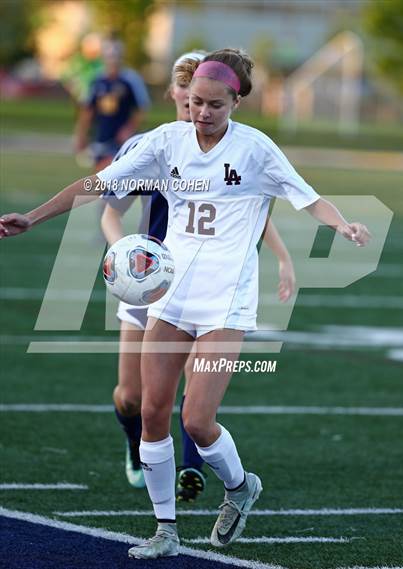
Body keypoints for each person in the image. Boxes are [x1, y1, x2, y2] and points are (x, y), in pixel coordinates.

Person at [0, 48, 370, 560]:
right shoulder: (164, 141)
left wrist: (343, 224)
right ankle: (166, 530)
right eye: (195, 101)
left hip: (225, 306)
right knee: (152, 411)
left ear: (236, 101)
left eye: (215, 104)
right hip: (170, 299)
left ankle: (240, 487)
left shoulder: (257, 150)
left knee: (196, 420)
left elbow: (308, 198)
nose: (202, 113)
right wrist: (34, 217)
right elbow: (96, 184)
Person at [101, 51, 297, 501]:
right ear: (176, 93)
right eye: (189, 93)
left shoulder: (229, 145)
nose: (198, 107)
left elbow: (250, 210)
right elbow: (111, 210)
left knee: (195, 390)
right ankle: (138, 448)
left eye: (207, 97)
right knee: (134, 398)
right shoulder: (151, 145)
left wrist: (283, 256)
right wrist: (124, 251)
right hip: (148, 283)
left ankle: (192, 468)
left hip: (205, 282)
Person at [74, 38, 150, 172]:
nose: (113, 61)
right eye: (109, 56)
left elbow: (142, 108)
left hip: (123, 140)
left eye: (116, 56)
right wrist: (81, 134)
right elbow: (87, 110)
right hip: (101, 136)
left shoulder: (130, 80)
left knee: (116, 176)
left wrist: (129, 128)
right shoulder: (96, 80)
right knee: (99, 177)